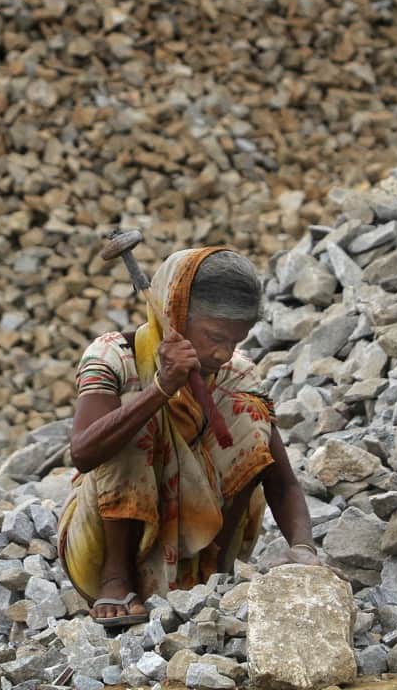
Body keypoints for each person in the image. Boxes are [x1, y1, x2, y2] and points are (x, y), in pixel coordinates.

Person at [58, 246, 320, 628]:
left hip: (199, 551)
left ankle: (213, 574)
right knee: (135, 416)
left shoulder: (236, 374)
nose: (223, 352)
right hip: (99, 545)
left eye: (236, 340)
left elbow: (282, 482)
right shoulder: (116, 355)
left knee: (252, 414)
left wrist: (303, 547)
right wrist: (161, 388)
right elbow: (83, 453)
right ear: (174, 314)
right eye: (215, 336)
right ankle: (118, 579)